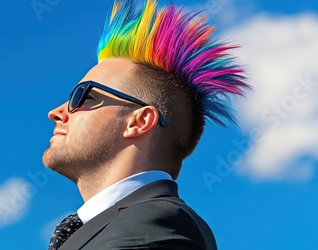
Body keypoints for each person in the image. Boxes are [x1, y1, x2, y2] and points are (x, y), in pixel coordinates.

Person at [42, 0, 250, 249]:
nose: (55, 112)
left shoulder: (156, 223)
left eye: (82, 96)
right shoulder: (122, 224)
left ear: (139, 121)